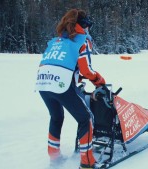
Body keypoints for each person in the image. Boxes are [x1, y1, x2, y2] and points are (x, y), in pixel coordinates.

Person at [35, 9, 105, 169]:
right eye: (88, 25)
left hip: (43, 82)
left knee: (56, 117)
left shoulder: (56, 41)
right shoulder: (83, 41)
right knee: (86, 119)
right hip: (61, 85)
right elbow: (87, 70)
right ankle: (87, 162)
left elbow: (58, 63)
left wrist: (76, 78)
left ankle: (54, 156)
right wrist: (99, 82)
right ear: (83, 25)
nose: (89, 29)